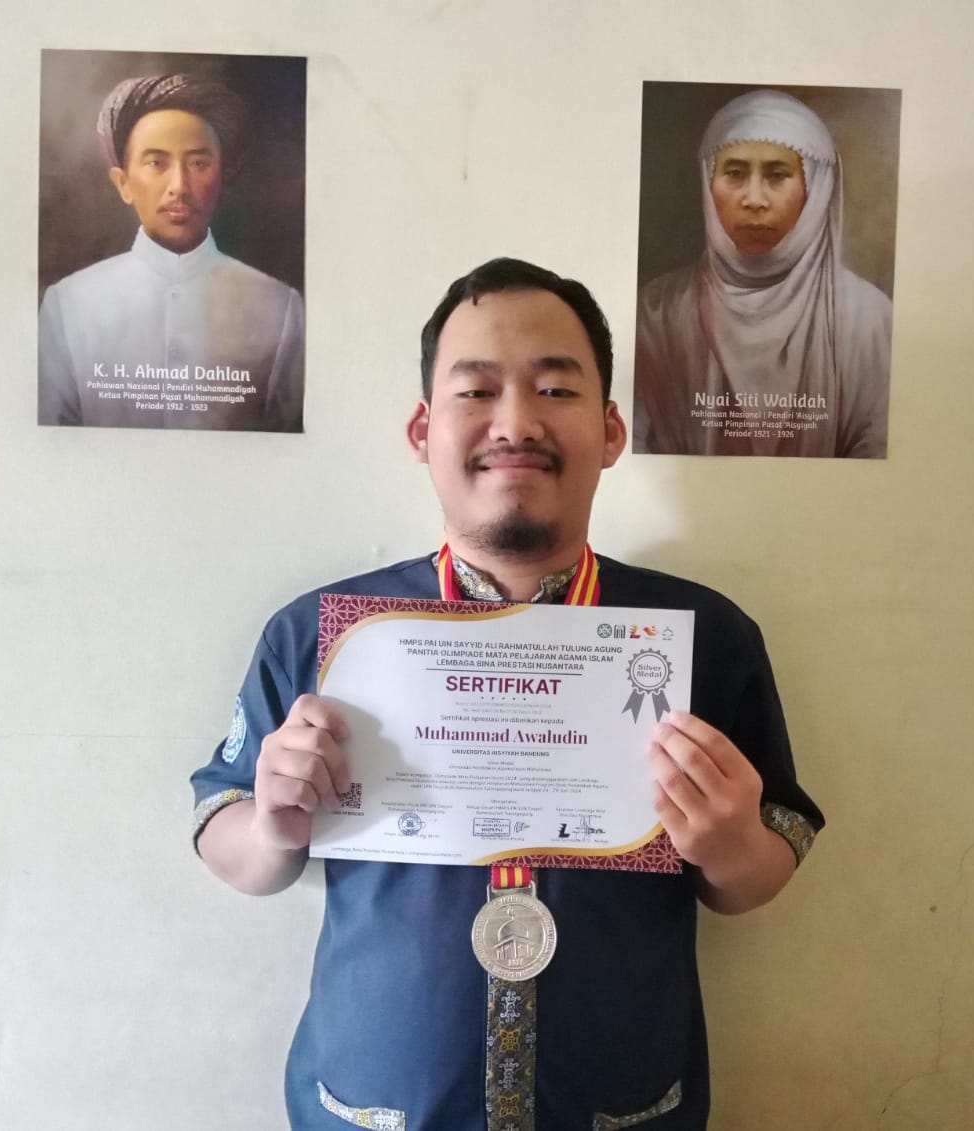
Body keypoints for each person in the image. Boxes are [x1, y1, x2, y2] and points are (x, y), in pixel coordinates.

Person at [189, 258, 823, 1129]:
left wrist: (732, 843)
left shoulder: (703, 637)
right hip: (375, 1107)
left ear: (610, 430)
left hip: (620, 1106)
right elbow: (223, 833)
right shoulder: (322, 636)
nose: (516, 423)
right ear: (423, 429)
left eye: (556, 389)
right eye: (476, 390)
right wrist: (272, 826)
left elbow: (759, 870)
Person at [634, 89, 892, 458]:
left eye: (777, 175)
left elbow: (878, 454)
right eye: (734, 173)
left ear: (815, 188)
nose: (754, 199)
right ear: (708, 181)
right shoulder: (658, 310)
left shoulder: (869, 319)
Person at [38, 73, 304, 431]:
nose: (179, 186)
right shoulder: (69, 304)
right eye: (156, 163)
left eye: (198, 164)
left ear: (221, 176)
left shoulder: (280, 306)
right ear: (123, 183)